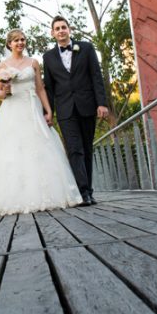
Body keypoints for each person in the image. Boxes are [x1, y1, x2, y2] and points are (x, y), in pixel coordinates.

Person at [0, 28, 82, 217]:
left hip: (32, 108)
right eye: (16, 41)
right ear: (9, 44)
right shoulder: (3, 65)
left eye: (22, 40)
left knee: (40, 149)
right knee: (12, 151)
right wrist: (4, 90)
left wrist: (48, 111)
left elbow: (40, 88)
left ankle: (47, 195)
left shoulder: (34, 63)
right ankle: (14, 197)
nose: (20, 43)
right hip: (11, 111)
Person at [43, 16, 108, 206]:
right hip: (65, 110)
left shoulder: (86, 48)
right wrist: (49, 112)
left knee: (86, 149)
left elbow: (96, 75)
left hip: (87, 105)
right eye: (57, 28)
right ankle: (83, 193)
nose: (61, 31)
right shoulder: (48, 57)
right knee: (74, 149)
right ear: (52, 33)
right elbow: (49, 87)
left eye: (64, 27)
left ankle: (89, 190)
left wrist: (101, 103)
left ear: (69, 29)